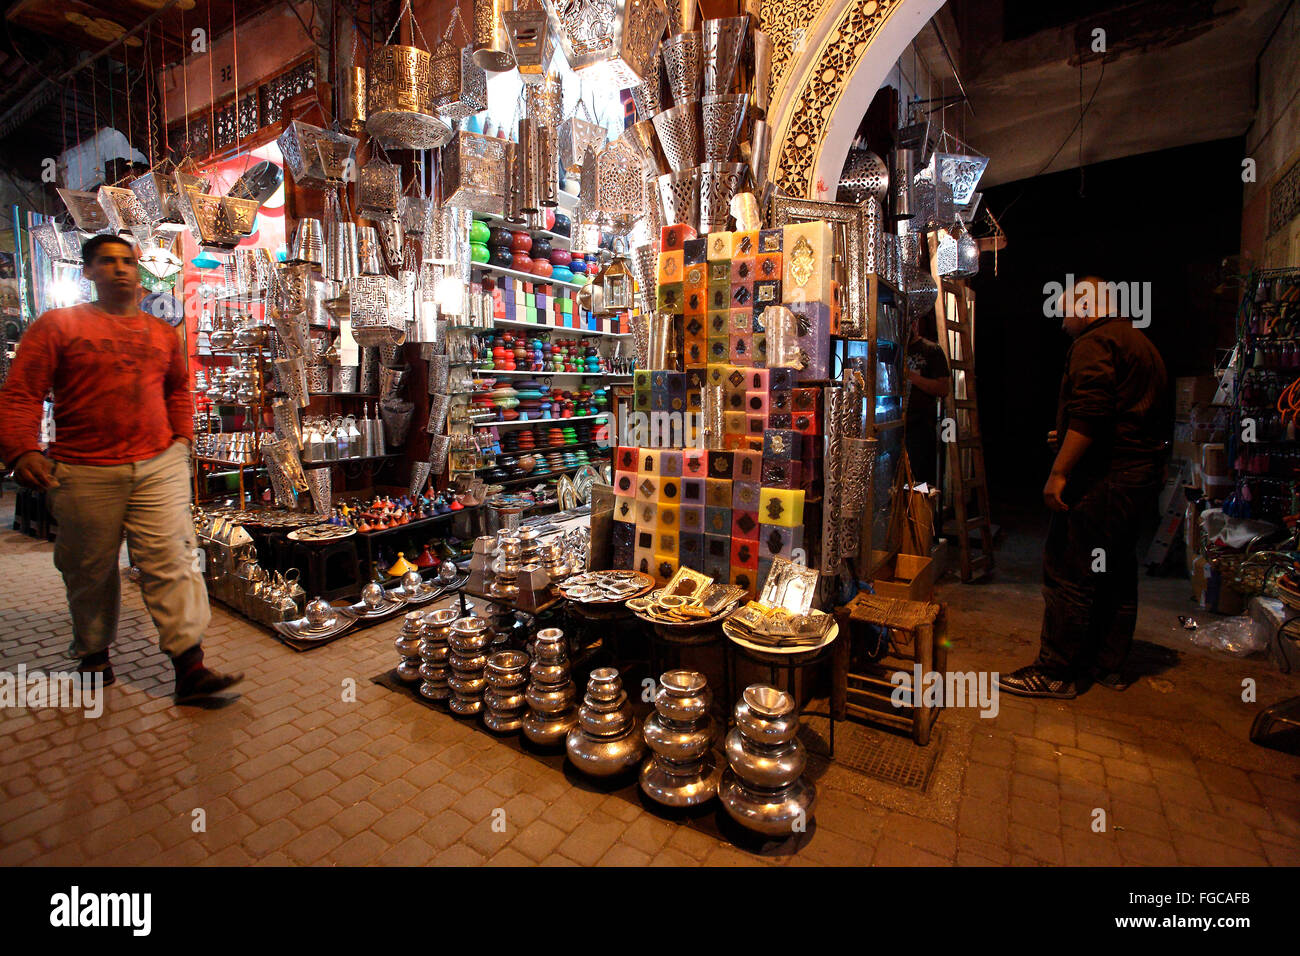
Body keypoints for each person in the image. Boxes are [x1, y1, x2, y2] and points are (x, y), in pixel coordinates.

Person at [0, 234, 242, 701]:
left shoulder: (159, 332)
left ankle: (189, 667)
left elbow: (177, 389)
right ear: (88, 272)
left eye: (127, 261)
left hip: (157, 464)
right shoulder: (57, 326)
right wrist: (21, 450)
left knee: (173, 560)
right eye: (107, 262)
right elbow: (22, 391)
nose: (120, 269)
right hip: (84, 468)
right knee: (88, 568)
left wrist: (182, 440)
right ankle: (93, 655)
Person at [1000, 276, 1169, 699]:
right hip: (1137, 478)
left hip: (1105, 483)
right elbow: (1122, 416)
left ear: (1088, 304)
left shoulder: (1094, 343)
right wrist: (1070, 435)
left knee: (1070, 569)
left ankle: (1056, 671)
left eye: (1066, 311)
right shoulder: (1139, 343)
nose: (1062, 322)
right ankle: (1108, 664)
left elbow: (1091, 413)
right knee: (1116, 570)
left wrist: (1059, 471)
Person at [904, 313, 950, 487]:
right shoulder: (894, 348)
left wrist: (911, 377)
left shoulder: (931, 350)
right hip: (895, 427)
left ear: (914, 324)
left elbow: (943, 388)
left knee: (920, 485)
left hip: (920, 429)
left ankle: (922, 514)